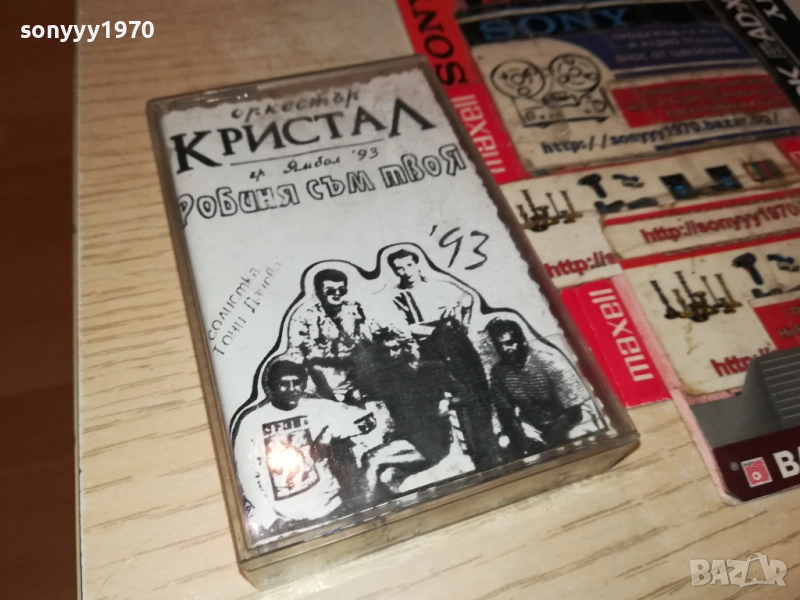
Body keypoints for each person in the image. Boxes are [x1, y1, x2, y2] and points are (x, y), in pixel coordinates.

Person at [386, 249, 502, 470]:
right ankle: (472, 456)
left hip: (459, 346)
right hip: (431, 350)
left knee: (478, 395)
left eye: (409, 265)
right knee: (454, 401)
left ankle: (490, 451)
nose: (405, 272)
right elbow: (408, 328)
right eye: (399, 269)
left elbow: (468, 298)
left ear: (417, 264)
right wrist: (438, 327)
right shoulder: (397, 296)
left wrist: (462, 320)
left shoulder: (437, 285)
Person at [233, 360, 376, 538]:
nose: (292, 389)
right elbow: (246, 475)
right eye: (284, 384)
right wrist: (269, 518)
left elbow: (366, 420)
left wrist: (329, 436)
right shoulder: (252, 422)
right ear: (271, 386)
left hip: (331, 506)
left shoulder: (317, 407)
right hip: (286, 520)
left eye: (297, 383)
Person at [486, 318, 583, 458]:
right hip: (532, 428)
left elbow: (575, 411)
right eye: (498, 345)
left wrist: (550, 437)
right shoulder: (499, 373)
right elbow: (505, 413)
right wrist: (522, 436)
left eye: (509, 343)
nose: (504, 350)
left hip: (568, 425)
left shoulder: (548, 362)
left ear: (522, 341)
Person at [288, 268, 376, 401]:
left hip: (352, 371)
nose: (337, 294)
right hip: (319, 375)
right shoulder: (304, 314)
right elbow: (295, 352)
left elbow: (370, 339)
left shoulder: (354, 309)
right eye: (330, 290)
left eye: (342, 290)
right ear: (318, 291)